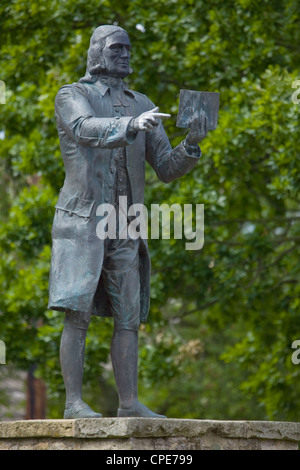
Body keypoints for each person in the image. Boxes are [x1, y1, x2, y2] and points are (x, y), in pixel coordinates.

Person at [48, 25, 208, 418]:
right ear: (97, 53)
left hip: (126, 222)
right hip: (83, 218)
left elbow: (167, 168)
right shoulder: (73, 95)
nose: (125, 55)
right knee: (78, 312)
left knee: (128, 316)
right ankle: (73, 404)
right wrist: (129, 126)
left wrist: (191, 143)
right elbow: (84, 129)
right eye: (117, 48)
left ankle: (129, 404)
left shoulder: (142, 103)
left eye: (128, 49)